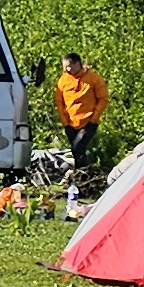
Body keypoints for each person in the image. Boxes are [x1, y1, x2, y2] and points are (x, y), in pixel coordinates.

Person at [50, 52, 110, 186]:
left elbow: (103, 99)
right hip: (70, 124)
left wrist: (94, 119)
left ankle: (82, 178)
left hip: (88, 122)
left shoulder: (94, 79)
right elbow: (59, 102)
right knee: (78, 152)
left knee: (78, 148)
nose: (66, 70)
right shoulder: (63, 80)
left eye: (69, 66)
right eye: (64, 67)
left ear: (78, 64)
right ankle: (83, 180)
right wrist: (65, 123)